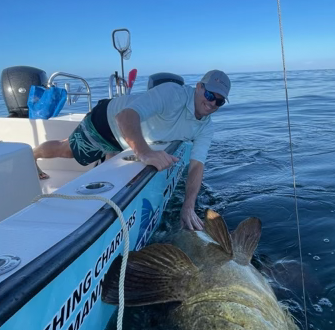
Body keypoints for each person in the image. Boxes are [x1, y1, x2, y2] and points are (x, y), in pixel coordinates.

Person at [33, 70, 231, 230]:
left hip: (127, 141)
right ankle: (33, 155)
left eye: (219, 101)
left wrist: (188, 206)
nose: (212, 103)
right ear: (199, 87)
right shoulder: (172, 93)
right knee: (67, 150)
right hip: (106, 123)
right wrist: (145, 153)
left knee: (113, 171)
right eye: (209, 95)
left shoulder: (206, 126)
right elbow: (125, 117)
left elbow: (197, 166)